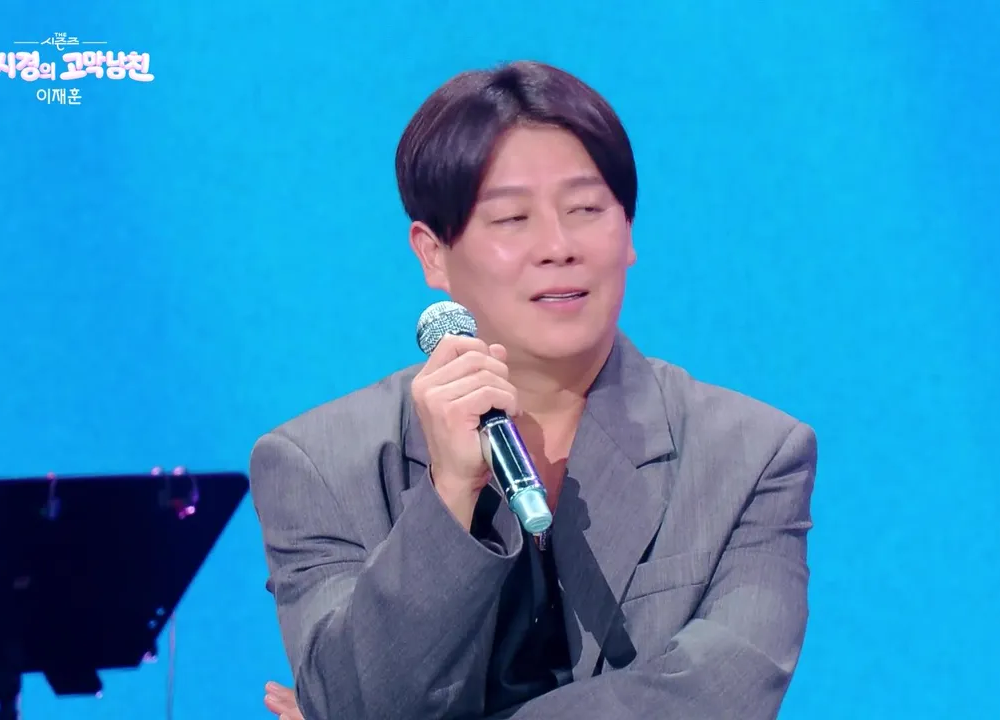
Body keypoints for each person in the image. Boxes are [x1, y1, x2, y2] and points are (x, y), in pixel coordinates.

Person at [249, 60, 818, 720]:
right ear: (433, 253)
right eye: (512, 218)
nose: (558, 246)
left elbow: (715, 698)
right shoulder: (317, 466)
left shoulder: (752, 455)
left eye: (585, 209)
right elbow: (361, 701)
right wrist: (448, 494)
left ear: (628, 231)